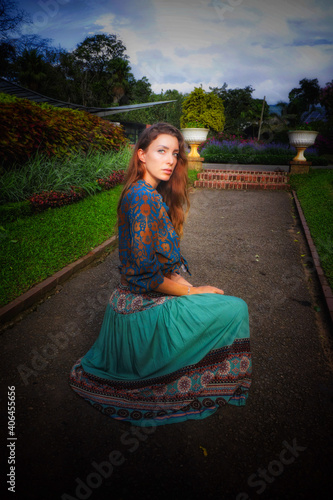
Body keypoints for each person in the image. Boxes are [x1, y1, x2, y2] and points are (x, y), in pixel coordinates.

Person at [69, 122, 251, 427]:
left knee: (219, 301)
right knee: (236, 308)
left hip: (130, 305)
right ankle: (206, 380)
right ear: (141, 154)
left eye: (175, 154)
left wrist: (186, 284)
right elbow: (145, 276)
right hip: (138, 311)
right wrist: (193, 291)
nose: (170, 160)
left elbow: (159, 265)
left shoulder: (146, 193)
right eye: (161, 151)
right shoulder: (143, 198)